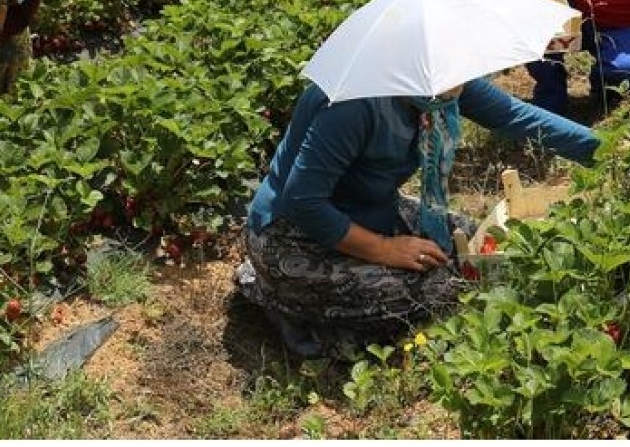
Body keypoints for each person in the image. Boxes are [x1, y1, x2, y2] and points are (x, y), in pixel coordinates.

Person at [236, 76, 598, 358]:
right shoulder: (351, 104)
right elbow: (304, 202)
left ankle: (314, 303)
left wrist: (606, 150)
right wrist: (383, 249)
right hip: (293, 236)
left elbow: (519, 117)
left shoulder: (441, 85)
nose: (462, 81)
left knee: (487, 251)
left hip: (373, 211)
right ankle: (283, 301)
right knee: (444, 291)